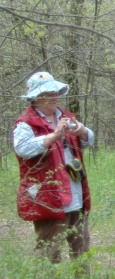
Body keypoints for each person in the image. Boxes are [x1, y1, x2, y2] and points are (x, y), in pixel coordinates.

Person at [13, 71, 95, 263]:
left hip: (75, 191)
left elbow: (88, 140)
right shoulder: (26, 123)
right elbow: (23, 149)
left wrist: (82, 131)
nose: (53, 97)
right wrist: (53, 136)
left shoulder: (65, 116)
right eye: (47, 94)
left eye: (55, 92)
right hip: (48, 194)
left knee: (81, 245)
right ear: (35, 98)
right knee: (49, 248)